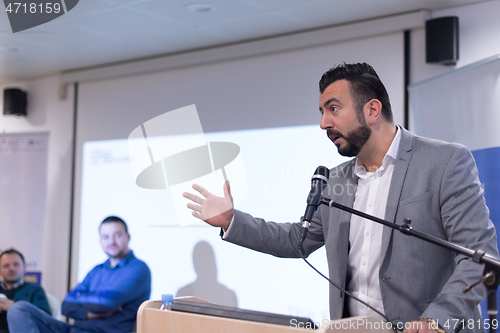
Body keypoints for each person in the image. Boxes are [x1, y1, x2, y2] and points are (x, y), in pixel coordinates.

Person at [183, 63, 499, 333]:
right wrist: (232, 220)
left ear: (372, 110)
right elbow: (298, 239)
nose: (324, 123)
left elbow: (479, 259)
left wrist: (436, 321)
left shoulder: (444, 162)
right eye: (322, 112)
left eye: (333, 109)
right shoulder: (336, 180)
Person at [7, 216, 151, 333]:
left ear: (128, 237)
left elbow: (107, 303)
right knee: (18, 309)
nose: (111, 241)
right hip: (74, 329)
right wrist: (92, 312)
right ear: (100, 240)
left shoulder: (138, 269)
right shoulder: (97, 270)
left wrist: (83, 298)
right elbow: (66, 305)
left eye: (117, 235)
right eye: (105, 237)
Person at [0, 249, 51, 333]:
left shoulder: (35, 290)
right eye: (6, 266)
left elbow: (46, 320)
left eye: (16, 264)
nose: (11, 268)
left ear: (24, 268)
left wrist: (14, 307)